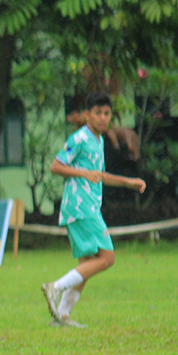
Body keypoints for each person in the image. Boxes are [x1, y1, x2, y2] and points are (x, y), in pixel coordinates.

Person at [41, 91, 146, 327]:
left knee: (87, 264)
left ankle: (62, 316)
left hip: (87, 206)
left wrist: (129, 182)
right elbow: (56, 166)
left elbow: (100, 175)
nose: (102, 118)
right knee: (107, 258)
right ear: (87, 115)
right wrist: (83, 173)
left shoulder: (98, 140)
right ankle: (55, 287)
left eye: (106, 113)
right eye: (97, 113)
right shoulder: (79, 139)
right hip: (81, 207)